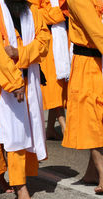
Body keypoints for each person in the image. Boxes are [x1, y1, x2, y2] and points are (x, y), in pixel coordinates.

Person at [0, 0, 49, 199]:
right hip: (3, 82)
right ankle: (20, 186)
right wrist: (14, 83)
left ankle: (2, 173)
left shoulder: (33, 12)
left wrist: (20, 53)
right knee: (12, 131)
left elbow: (44, 41)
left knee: (20, 130)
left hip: (30, 78)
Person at [64, 0, 103, 194]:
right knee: (92, 116)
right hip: (87, 63)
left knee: (98, 116)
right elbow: (96, 31)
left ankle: (91, 173)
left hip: (100, 59)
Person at [33, 0, 69, 139]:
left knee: (61, 85)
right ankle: (64, 125)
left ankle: (50, 129)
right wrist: (59, 13)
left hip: (64, 35)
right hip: (48, 38)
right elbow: (33, 12)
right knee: (53, 85)